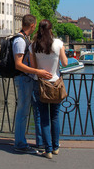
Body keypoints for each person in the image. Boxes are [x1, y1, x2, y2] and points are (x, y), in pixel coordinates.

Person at [13, 14, 52, 154]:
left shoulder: (24, 39)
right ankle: (20, 143)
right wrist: (38, 71)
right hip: (23, 79)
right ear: (32, 25)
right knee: (22, 112)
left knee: (24, 112)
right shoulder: (20, 41)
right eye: (35, 25)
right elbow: (18, 65)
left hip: (27, 79)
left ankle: (22, 142)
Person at [29, 19, 68, 159]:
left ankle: (48, 150)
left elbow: (34, 67)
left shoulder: (33, 45)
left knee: (44, 118)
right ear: (51, 29)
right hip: (55, 83)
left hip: (40, 84)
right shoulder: (58, 43)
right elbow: (65, 62)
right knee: (55, 116)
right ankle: (56, 147)